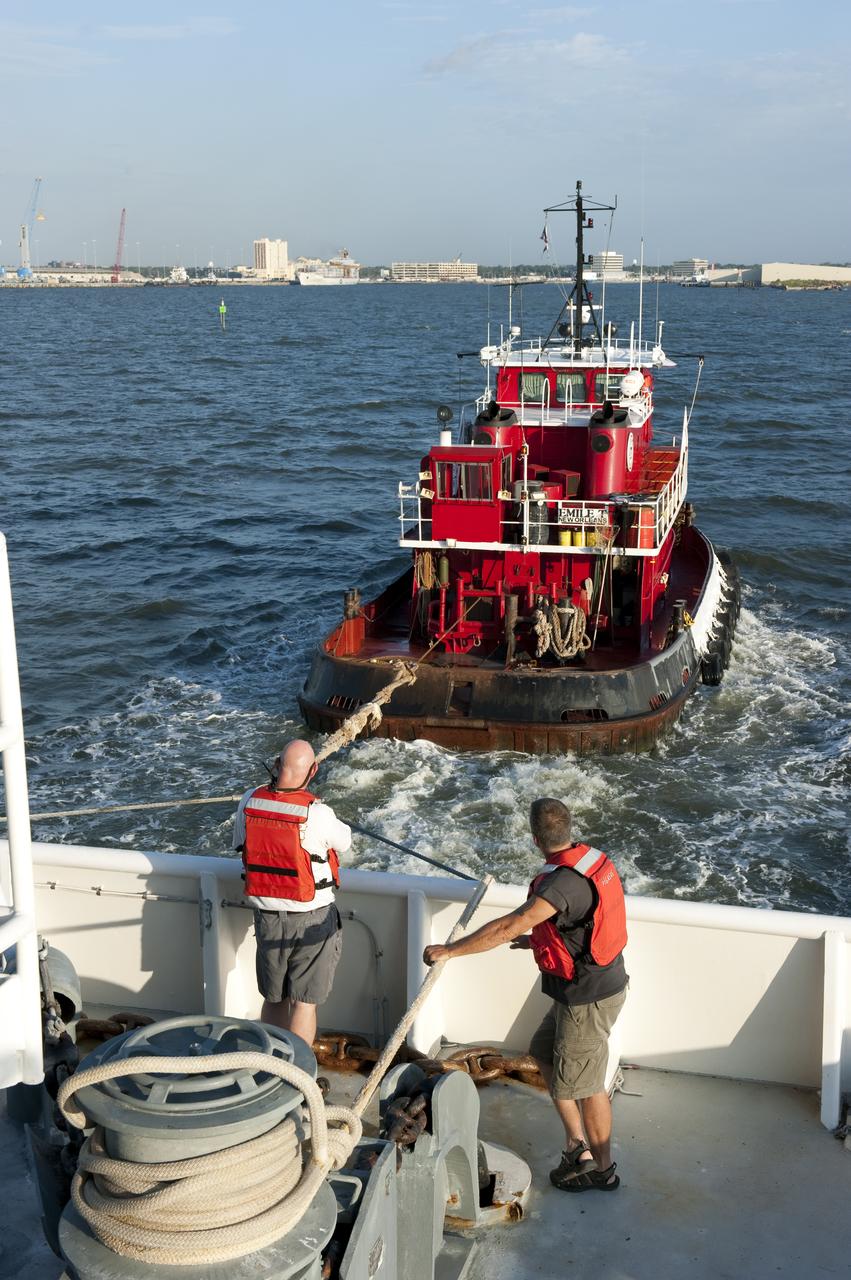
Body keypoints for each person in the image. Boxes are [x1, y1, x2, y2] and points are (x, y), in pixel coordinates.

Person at [423, 796, 628, 1192]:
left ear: (535, 839)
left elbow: (509, 925)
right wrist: (540, 939)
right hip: (592, 988)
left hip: (586, 1000)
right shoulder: (590, 861)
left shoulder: (560, 885)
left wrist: (451, 950)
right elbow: (574, 923)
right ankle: (576, 1144)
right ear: (569, 828)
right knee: (542, 1049)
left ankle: (602, 1169)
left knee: (587, 1087)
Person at [233, 739, 351, 1046]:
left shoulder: (248, 802)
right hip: (313, 919)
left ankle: (273, 1066)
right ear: (313, 771)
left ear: (275, 764)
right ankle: (296, 1074)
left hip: (268, 919)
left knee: (274, 998)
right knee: (303, 1003)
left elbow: (240, 843)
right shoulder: (318, 813)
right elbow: (344, 842)